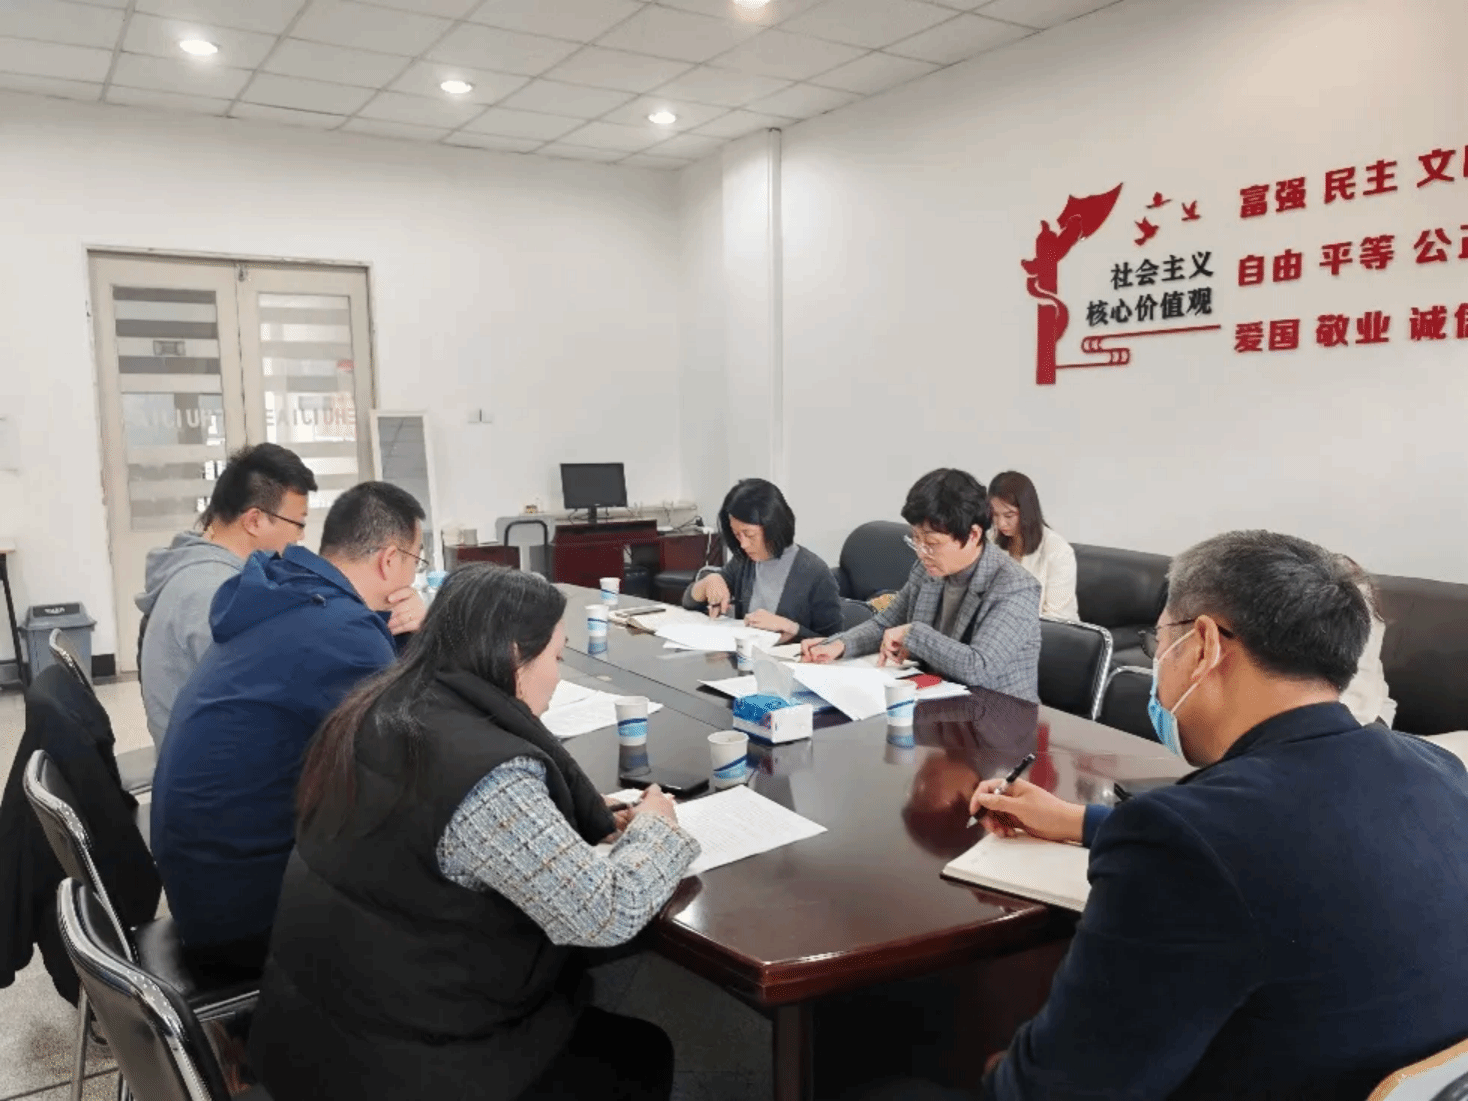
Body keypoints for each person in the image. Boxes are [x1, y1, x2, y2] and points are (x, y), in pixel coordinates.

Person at [948, 531, 1468, 1100]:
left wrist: (996, 1065)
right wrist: (1080, 821)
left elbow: (1056, 1091)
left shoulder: (1190, 840)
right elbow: (1302, 846)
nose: (1158, 664)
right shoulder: (1439, 771)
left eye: (1158, 642)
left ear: (1202, 643)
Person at [249, 565, 698, 1101]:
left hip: (314, 1036)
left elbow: (425, 824)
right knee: (641, 1056)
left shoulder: (379, 706)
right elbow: (607, 912)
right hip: (408, 1068)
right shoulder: (488, 777)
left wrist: (555, 814)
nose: (557, 677)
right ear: (513, 657)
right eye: (556, 658)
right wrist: (656, 827)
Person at [150, 482, 428, 980]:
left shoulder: (288, 591)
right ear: (390, 561)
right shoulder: (343, 633)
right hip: (245, 916)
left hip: (203, 880)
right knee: (438, 882)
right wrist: (425, 640)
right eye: (417, 561)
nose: (414, 576)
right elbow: (414, 755)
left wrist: (397, 638)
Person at [800, 469, 1041, 702]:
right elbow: (885, 623)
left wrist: (913, 634)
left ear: (973, 535)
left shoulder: (1015, 588)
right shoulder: (927, 570)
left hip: (997, 715)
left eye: (932, 543)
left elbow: (978, 667)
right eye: (915, 539)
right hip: (934, 701)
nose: (922, 552)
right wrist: (840, 644)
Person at [135, 443, 317, 748]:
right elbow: (267, 702)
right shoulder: (216, 593)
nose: (301, 536)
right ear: (254, 521)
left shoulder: (199, 565)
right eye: (299, 523)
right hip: (210, 766)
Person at [683, 478, 843, 642]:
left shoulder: (816, 573)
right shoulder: (744, 562)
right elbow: (688, 602)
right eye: (737, 535)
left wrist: (792, 628)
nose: (743, 544)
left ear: (774, 526)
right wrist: (709, 582)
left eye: (750, 535)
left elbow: (835, 643)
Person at [987, 471, 1078, 622]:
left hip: (1046, 631)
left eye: (1009, 515)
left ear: (1027, 511)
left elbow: (1057, 618)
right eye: (995, 515)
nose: (1000, 523)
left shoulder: (1058, 551)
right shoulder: (990, 540)